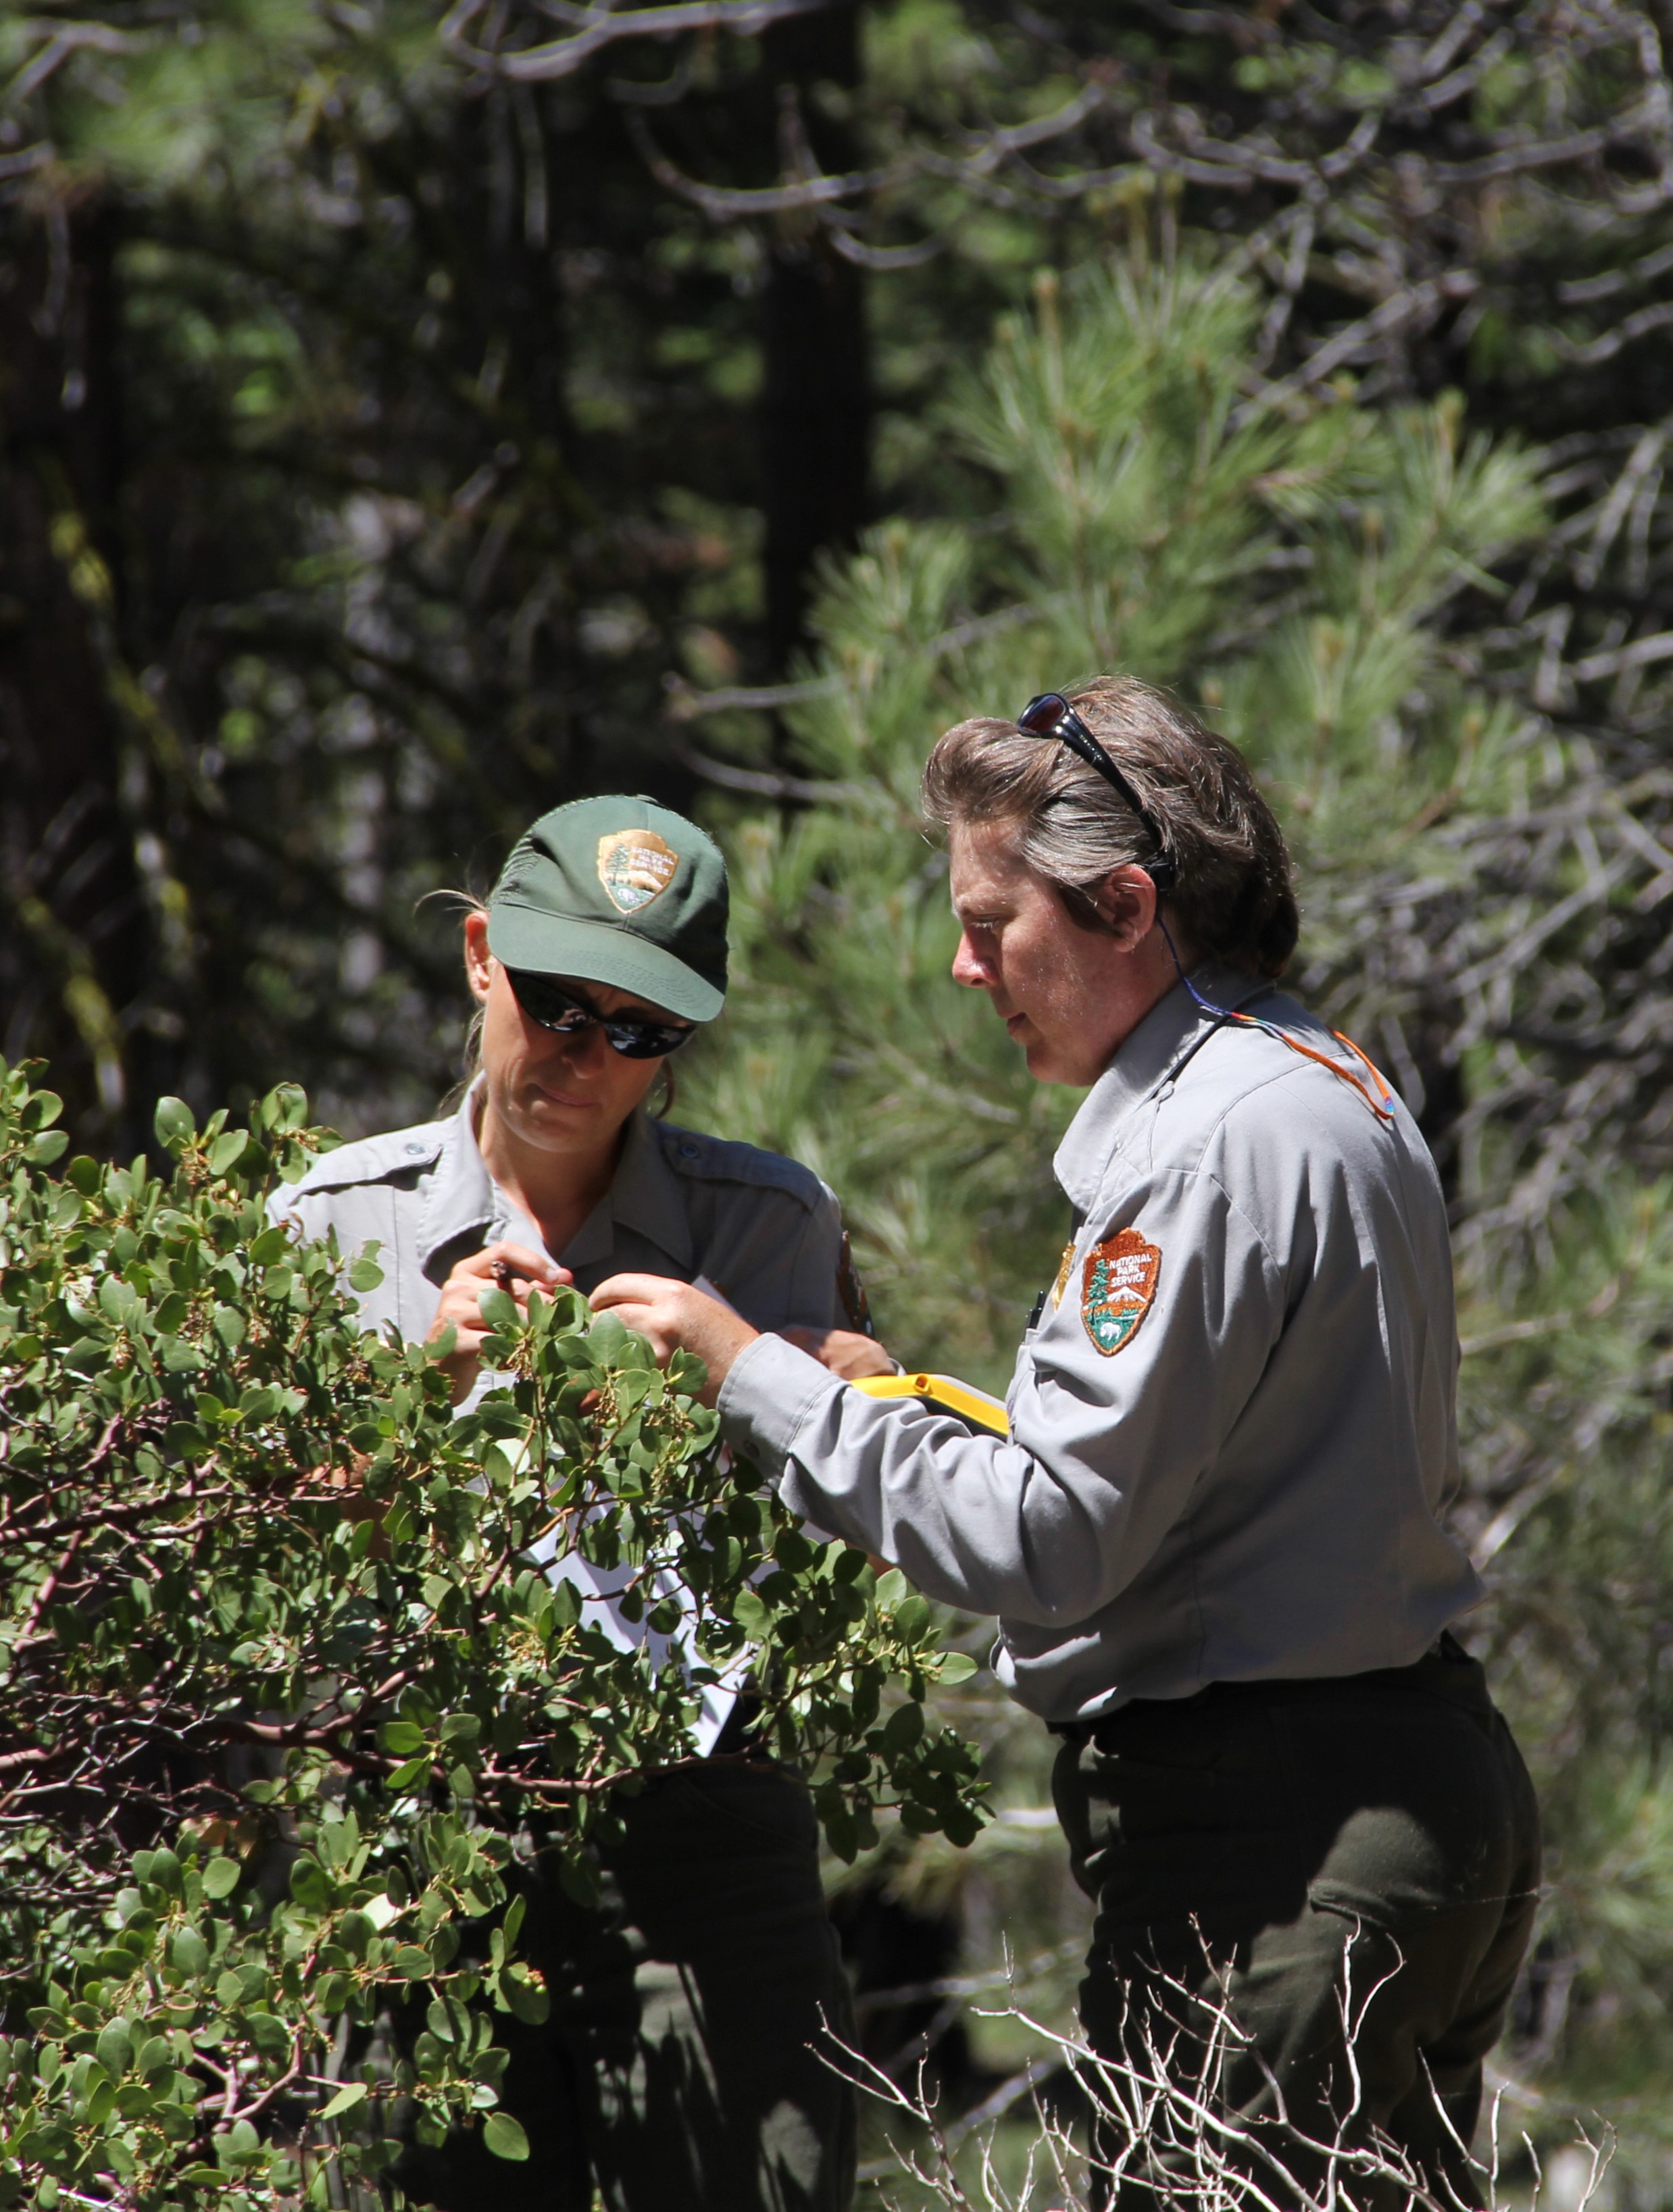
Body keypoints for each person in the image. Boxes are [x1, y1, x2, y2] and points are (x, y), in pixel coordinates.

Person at [592, 682, 1542, 2206]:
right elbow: (1180, 1476)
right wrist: (889, 1404)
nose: (965, 969)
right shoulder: (1309, 1077)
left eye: (993, 922)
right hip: (1399, 1798)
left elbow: (1051, 1541)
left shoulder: (1201, 1143)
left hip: (1280, 1842)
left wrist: (746, 1371)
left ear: (1123, 905)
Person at [268, 793, 887, 2212]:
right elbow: (250, 1556)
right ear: (481, 957)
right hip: (425, 1831)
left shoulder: (768, 1225)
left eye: (641, 1031)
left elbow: (860, 1497)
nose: (584, 1059)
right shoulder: (331, 1226)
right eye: (556, 1004)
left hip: (710, 1838)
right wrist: (422, 1392)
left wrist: (796, 1370)